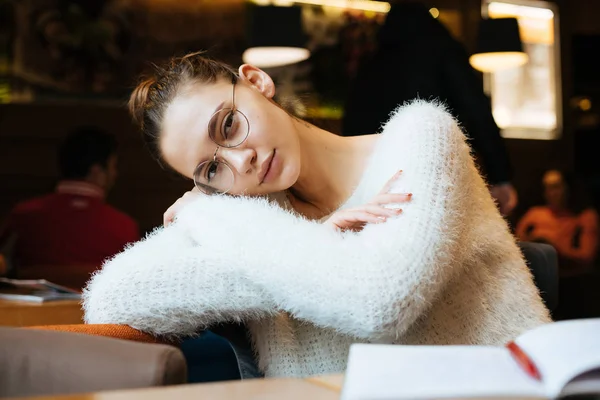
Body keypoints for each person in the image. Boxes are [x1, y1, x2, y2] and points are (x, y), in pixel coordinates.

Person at [83, 52, 550, 379]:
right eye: (211, 168)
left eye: (228, 124)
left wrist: (214, 220)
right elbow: (111, 300)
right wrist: (223, 216)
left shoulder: (421, 137)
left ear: (257, 82)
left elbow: (377, 301)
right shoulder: (248, 216)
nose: (239, 160)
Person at [342, 0, 517, 216]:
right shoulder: (443, 49)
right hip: (433, 174)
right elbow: (476, 109)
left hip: (375, 179)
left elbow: (351, 125)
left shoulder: (372, 61)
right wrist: (499, 174)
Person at [0, 127, 139, 271]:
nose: (115, 175)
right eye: (113, 167)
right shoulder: (124, 226)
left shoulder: (23, 214)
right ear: (96, 171)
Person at [516, 169, 599, 319]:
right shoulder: (535, 214)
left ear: (568, 187)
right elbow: (515, 247)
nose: (551, 193)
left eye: (556, 186)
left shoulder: (584, 217)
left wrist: (553, 245)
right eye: (547, 187)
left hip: (572, 284)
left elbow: (586, 256)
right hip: (536, 283)